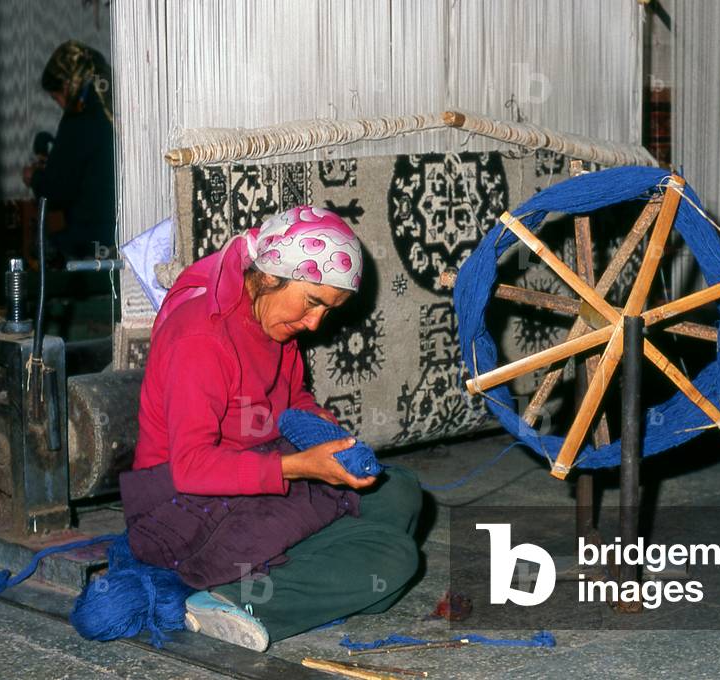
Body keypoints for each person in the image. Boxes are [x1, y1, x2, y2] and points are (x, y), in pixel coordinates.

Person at [120, 206, 422, 652]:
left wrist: (320, 428)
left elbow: (292, 397)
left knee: (400, 491)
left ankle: (308, 576)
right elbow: (190, 467)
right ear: (268, 276)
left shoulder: (272, 320)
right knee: (395, 558)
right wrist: (299, 467)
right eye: (312, 302)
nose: (315, 323)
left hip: (250, 476)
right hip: (181, 511)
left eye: (328, 310)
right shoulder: (201, 339)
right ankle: (228, 600)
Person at [22, 40, 116, 262]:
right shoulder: (110, 106)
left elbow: (55, 193)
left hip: (93, 241)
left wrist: (34, 177)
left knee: (38, 252)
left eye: (55, 98)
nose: (59, 105)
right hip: (120, 234)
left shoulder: (79, 119)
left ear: (66, 86)